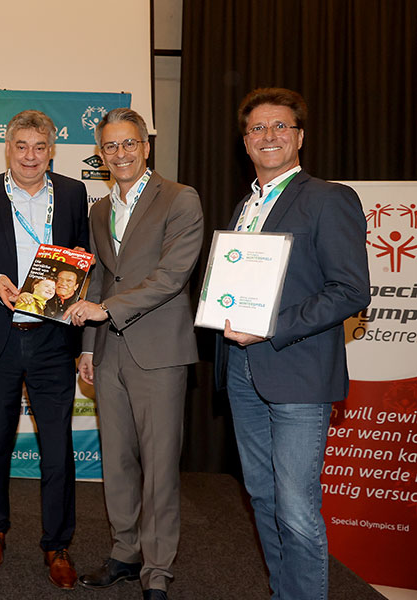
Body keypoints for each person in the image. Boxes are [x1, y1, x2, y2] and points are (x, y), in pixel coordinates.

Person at [216, 88, 370, 600]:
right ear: (245, 142)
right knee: (262, 496)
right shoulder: (246, 206)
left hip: (299, 372)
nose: (269, 136)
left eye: (281, 126)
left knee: (298, 507)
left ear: (300, 136)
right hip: (242, 369)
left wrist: (271, 326)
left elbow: (350, 289)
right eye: (258, 128)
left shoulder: (328, 198)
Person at [63, 108, 202, 600]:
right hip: (108, 351)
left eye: (128, 144)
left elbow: (171, 278)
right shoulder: (100, 210)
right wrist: (86, 346)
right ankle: (125, 552)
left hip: (160, 351)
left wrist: (104, 309)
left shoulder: (181, 199)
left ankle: (158, 569)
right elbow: (100, 275)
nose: (119, 154)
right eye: (109, 147)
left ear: (146, 147)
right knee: (117, 460)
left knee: (160, 465)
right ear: (100, 154)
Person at [0, 109, 89, 590]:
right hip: (0, 340)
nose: (30, 156)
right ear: (7, 149)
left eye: (39, 147)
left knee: (58, 451)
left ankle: (58, 543)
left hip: (53, 342)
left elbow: (84, 260)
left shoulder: (73, 194)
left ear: (51, 150)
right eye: (21, 147)